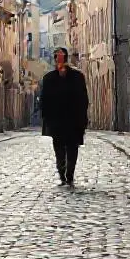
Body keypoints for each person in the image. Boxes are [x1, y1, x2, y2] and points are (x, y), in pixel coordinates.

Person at [39, 47, 89, 186]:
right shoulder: (49, 78)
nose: (59, 59)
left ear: (65, 58)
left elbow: (83, 99)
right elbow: (44, 101)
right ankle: (62, 173)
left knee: (72, 149)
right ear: (55, 59)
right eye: (57, 57)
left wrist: (83, 119)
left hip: (74, 122)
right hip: (57, 123)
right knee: (59, 150)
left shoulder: (78, 77)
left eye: (61, 57)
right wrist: (47, 119)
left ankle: (70, 174)